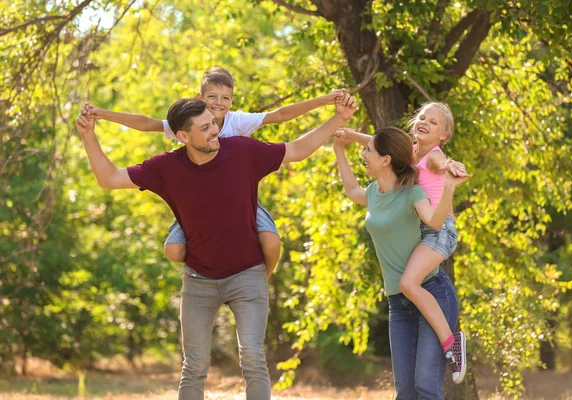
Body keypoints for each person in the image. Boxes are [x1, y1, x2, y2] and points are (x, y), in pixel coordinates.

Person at [75, 94, 357, 400]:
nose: (215, 131)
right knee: (193, 365)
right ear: (183, 136)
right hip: (198, 281)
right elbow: (109, 178)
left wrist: (338, 119)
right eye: (206, 128)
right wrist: (89, 136)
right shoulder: (166, 168)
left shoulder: (242, 151)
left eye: (214, 124)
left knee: (252, 356)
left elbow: (298, 150)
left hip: (248, 274)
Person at [80, 66, 344, 277]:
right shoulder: (188, 124)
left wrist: (324, 101)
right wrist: (104, 114)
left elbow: (281, 114)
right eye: (212, 97)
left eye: (225, 98)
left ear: (232, 100)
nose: (219, 104)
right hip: (199, 206)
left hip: (237, 201)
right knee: (173, 250)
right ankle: (203, 269)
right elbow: (144, 123)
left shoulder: (237, 121)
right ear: (199, 99)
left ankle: (263, 277)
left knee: (271, 242)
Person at [333, 126, 468, 398]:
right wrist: (338, 150)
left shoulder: (412, 193)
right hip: (398, 303)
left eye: (369, 150)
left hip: (431, 292)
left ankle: (453, 344)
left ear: (386, 160)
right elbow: (351, 190)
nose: (364, 153)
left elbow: (435, 221)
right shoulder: (372, 193)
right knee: (405, 391)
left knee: (426, 387)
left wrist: (449, 188)